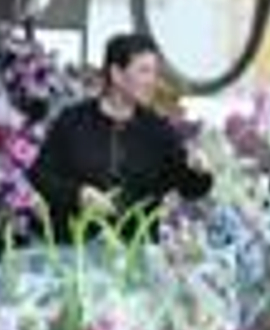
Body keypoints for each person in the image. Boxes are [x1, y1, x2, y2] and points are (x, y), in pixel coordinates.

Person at [30, 32, 214, 235]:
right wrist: (78, 194)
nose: (152, 81)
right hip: (74, 251)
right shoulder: (73, 121)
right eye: (144, 71)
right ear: (116, 74)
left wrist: (200, 171)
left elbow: (188, 187)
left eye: (154, 72)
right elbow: (41, 175)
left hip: (135, 255)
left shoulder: (158, 131)